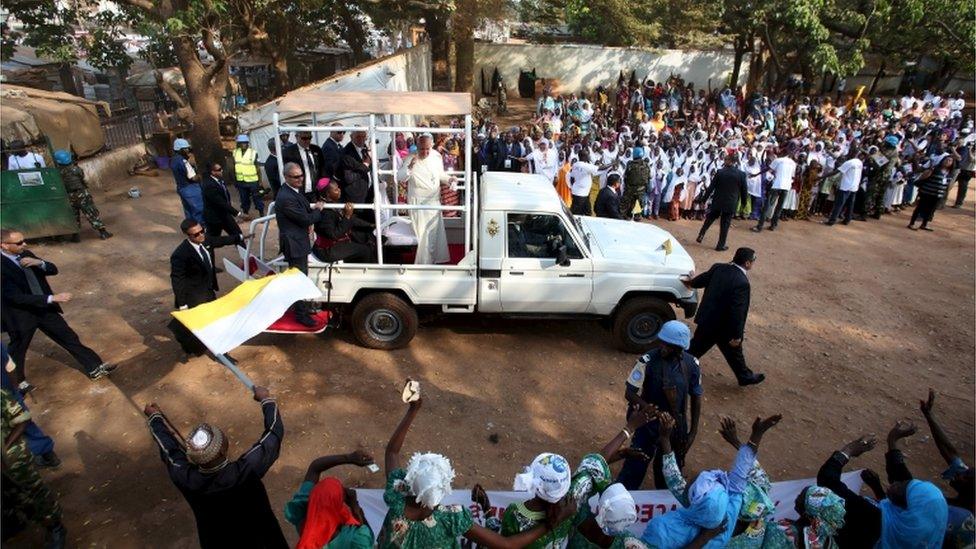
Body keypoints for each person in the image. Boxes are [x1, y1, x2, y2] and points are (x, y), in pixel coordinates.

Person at [379, 390, 570, 548]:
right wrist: (550, 525)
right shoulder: (451, 517)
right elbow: (506, 545)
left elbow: (392, 453)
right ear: (444, 488)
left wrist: (413, 409)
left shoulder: (397, 496)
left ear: (410, 481)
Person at [144, 385, 288, 549]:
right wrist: (265, 398)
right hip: (266, 542)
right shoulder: (246, 470)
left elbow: (170, 450)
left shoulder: (187, 478)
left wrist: (155, 419)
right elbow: (274, 432)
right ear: (222, 451)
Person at [505, 404, 658, 548]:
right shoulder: (626, 541)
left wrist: (629, 428)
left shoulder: (570, 509)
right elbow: (594, 466)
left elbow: (594, 464)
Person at [641, 413, 781, 547]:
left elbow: (673, 478)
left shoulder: (664, 531)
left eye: (692, 482)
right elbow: (743, 471)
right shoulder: (733, 518)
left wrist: (664, 438)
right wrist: (755, 435)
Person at [0, 228, 115, 392]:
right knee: (18, 348)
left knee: (68, 336)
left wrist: (39, 263)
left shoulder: (25, 254)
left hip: (44, 309)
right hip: (21, 315)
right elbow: (14, 297)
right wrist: (51, 298)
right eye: (19, 242)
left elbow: (53, 269)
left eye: (23, 240)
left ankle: (95, 367)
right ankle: (16, 383)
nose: (24, 244)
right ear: (3, 245)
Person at [817, 423, 948, 548]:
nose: (896, 482)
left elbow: (827, 481)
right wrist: (892, 440)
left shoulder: (872, 519)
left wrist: (848, 450)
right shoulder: (913, 531)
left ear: (905, 507)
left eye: (901, 486)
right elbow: (901, 476)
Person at [616, 320, 702, 491]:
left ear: (680, 348)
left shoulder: (692, 365)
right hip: (647, 424)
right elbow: (630, 392)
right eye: (662, 342)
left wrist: (692, 432)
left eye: (669, 345)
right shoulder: (647, 361)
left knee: (667, 472)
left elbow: (696, 397)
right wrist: (645, 406)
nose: (663, 347)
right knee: (635, 465)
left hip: (674, 426)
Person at [682, 247, 765, 386]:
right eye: (753, 261)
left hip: (707, 320)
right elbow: (738, 312)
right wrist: (738, 335)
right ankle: (744, 376)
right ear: (747, 263)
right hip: (724, 328)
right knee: (732, 351)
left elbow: (701, 280)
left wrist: (690, 281)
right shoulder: (742, 282)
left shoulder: (718, 268)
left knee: (698, 348)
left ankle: (744, 376)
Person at [1, 387, 67, 548]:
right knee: (8, 495)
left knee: (32, 493)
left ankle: (55, 527)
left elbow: (22, 420)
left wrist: (4, 448)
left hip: (13, 458)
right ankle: (14, 522)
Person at [168, 219, 245, 356]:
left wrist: (239, 237)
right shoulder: (180, 254)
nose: (201, 235)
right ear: (188, 236)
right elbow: (177, 280)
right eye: (196, 234)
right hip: (194, 295)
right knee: (204, 323)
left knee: (207, 322)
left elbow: (220, 241)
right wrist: (182, 304)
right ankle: (220, 352)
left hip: (208, 290)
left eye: (202, 231)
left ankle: (210, 348)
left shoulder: (205, 240)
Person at [284, 450, 377, 549]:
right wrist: (355, 508)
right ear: (338, 505)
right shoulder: (355, 539)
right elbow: (369, 537)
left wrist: (349, 458)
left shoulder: (302, 510)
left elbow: (314, 468)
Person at [919, 389, 975, 547]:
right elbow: (950, 451)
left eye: (965, 478)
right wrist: (929, 415)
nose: (959, 475)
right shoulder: (968, 496)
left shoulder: (965, 523)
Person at [276, 162, 326, 326]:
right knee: (299, 280)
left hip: (298, 241)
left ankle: (300, 308)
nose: (300, 179)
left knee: (300, 279)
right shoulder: (286, 197)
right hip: (294, 245)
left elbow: (303, 215)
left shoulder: (293, 192)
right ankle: (301, 314)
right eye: (296, 177)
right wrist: (318, 210)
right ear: (286, 177)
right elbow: (305, 218)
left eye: (301, 175)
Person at [396, 133, 455, 264]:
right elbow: (400, 177)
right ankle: (424, 265)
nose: (425, 152)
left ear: (432, 145)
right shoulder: (410, 157)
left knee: (433, 234)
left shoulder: (436, 156)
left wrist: (450, 179)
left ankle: (433, 260)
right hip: (418, 203)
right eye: (422, 149)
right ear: (417, 147)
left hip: (433, 200)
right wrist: (410, 167)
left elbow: (441, 175)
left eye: (427, 148)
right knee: (423, 235)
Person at [0, 344, 60, 468]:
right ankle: (48, 454)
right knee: (25, 424)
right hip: (8, 389)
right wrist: (15, 391)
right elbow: (10, 367)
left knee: (10, 431)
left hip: (6, 394)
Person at [52, 149, 112, 240]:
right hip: (81, 193)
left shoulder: (57, 172)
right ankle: (103, 232)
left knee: (74, 215)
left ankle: (75, 236)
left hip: (69, 195)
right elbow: (81, 178)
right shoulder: (76, 169)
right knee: (91, 212)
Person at [312, 183, 375, 263]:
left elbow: (352, 220)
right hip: (327, 249)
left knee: (367, 237)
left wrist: (370, 225)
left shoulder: (334, 203)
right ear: (328, 194)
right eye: (336, 190)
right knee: (365, 250)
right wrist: (347, 216)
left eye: (338, 188)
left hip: (337, 242)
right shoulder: (325, 212)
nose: (339, 190)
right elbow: (333, 235)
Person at [697, 151, 748, 251]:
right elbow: (744, 191)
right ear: (735, 162)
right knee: (725, 224)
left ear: (728, 161)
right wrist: (743, 204)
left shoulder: (720, 172)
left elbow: (711, 187)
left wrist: (703, 200)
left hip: (718, 201)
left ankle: (701, 234)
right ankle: (720, 245)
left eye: (725, 160)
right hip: (731, 203)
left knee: (710, 219)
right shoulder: (741, 174)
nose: (724, 161)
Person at [752, 149, 795, 232]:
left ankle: (759, 227)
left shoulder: (778, 160)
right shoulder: (793, 163)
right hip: (786, 187)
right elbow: (792, 176)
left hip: (777, 185)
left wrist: (756, 174)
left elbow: (768, 169)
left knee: (766, 206)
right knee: (779, 207)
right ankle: (773, 226)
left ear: (782, 153)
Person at [909, 156, 954, 231]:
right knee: (919, 208)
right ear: (942, 160)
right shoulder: (935, 169)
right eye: (946, 160)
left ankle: (924, 224)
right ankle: (912, 223)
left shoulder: (950, 173)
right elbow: (923, 177)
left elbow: (948, 185)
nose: (948, 162)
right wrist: (929, 171)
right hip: (926, 192)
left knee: (931, 210)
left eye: (950, 161)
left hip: (938, 195)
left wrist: (945, 193)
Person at [201, 161, 243, 239]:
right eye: (219, 170)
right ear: (213, 172)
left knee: (238, 235)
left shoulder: (219, 180)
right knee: (211, 240)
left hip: (225, 215)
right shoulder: (209, 185)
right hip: (214, 218)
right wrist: (238, 213)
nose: (222, 171)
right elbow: (220, 202)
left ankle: (244, 251)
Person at [283, 126, 325, 199]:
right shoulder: (288, 152)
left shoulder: (316, 149)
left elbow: (322, 168)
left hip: (316, 193)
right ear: (297, 137)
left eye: (309, 138)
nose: (307, 141)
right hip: (299, 193)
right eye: (304, 138)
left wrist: (321, 187)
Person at [823, 151, 863, 226]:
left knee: (839, 204)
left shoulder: (849, 163)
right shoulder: (859, 162)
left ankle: (832, 221)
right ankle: (847, 220)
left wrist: (822, 177)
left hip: (846, 187)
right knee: (850, 204)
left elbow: (835, 172)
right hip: (854, 187)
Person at [171, 138, 204, 224]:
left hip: (181, 187)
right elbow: (193, 178)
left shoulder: (173, 160)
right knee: (198, 209)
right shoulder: (183, 161)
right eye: (185, 149)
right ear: (179, 149)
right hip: (190, 188)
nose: (188, 150)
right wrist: (201, 175)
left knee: (188, 210)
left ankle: (190, 228)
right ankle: (201, 228)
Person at [233, 134, 264, 217]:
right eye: (241, 143)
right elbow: (234, 166)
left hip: (253, 180)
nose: (243, 145)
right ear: (238, 144)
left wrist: (260, 181)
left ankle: (261, 213)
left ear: (248, 143)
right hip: (241, 181)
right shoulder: (235, 152)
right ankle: (246, 213)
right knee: (244, 199)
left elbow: (257, 168)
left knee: (257, 197)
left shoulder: (253, 153)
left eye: (245, 143)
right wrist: (235, 180)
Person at [620, 147, 650, 218]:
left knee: (624, 205)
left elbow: (626, 176)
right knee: (638, 205)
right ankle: (637, 217)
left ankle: (623, 216)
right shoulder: (646, 165)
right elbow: (648, 178)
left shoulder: (630, 164)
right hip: (641, 189)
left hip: (630, 189)